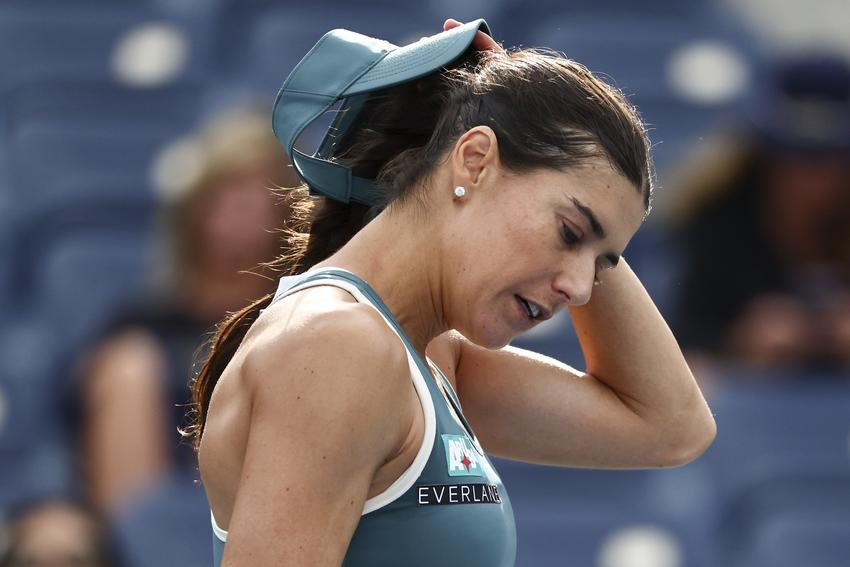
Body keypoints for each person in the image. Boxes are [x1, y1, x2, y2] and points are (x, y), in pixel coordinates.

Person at [184, 18, 716, 566]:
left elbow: (671, 428)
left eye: (601, 265)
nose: (580, 290)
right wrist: (516, 106)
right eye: (569, 232)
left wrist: (534, 126)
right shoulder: (339, 345)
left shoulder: (429, 357)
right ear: (475, 161)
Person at [76, 106, 298, 518]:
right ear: (196, 206)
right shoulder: (142, 332)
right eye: (227, 192)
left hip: (271, 504)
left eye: (258, 197)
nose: (241, 211)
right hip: (162, 492)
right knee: (127, 370)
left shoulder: (300, 320)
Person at [664, 52, 850, 380]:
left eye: (827, 161)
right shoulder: (715, 224)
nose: (809, 180)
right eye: (794, 158)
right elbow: (674, 340)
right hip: (745, 405)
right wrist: (736, 341)